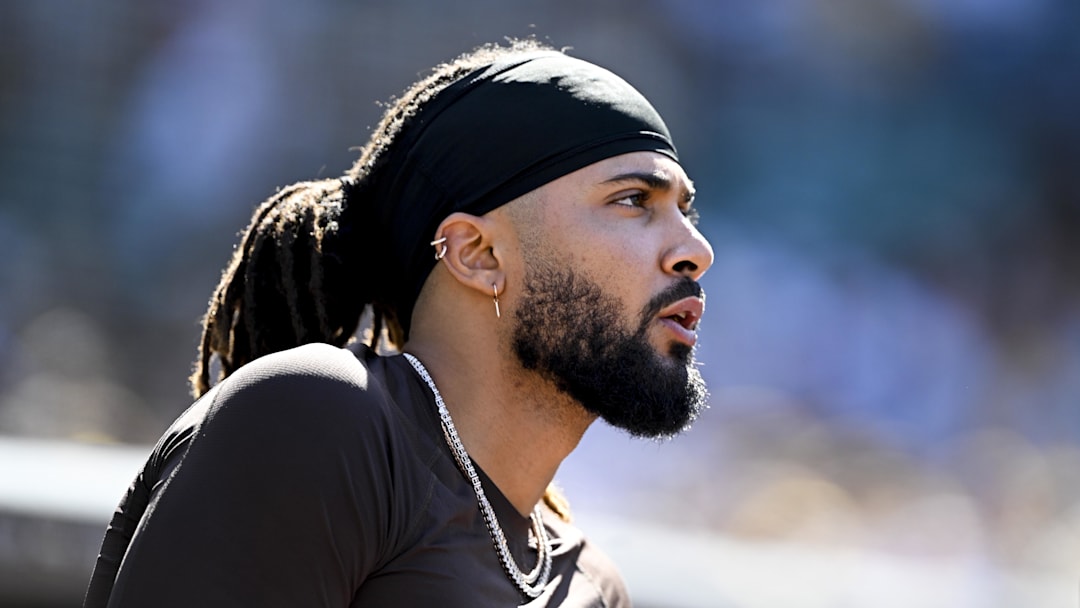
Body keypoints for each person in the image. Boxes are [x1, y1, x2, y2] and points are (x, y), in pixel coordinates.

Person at [84, 38, 713, 607]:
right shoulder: (323, 419)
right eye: (633, 200)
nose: (695, 250)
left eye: (686, 210)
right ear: (477, 254)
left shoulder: (594, 587)